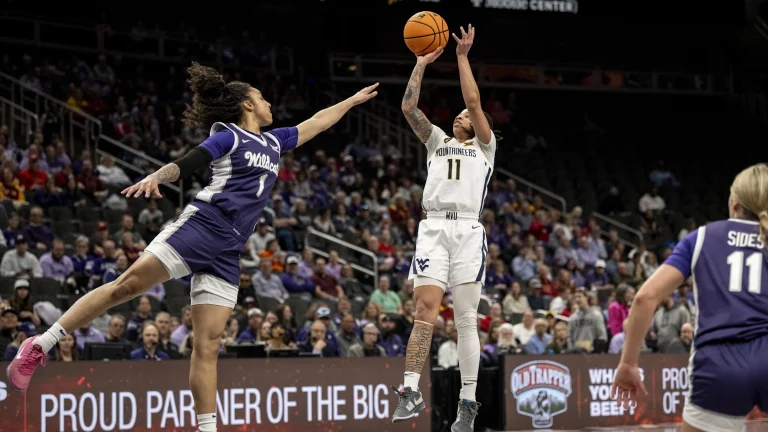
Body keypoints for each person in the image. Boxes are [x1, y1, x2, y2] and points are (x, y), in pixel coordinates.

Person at [6, 62, 378, 432]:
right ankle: (40, 344)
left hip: (231, 247)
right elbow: (189, 162)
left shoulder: (274, 141)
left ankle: (207, 428)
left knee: (209, 344)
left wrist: (352, 100)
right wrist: (157, 175)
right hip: (204, 225)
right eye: (261, 98)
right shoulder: (229, 135)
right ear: (247, 104)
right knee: (126, 287)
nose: (268, 103)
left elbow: (318, 122)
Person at [392, 25, 499, 431]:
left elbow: (472, 99)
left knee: (466, 319)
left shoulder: (485, 147)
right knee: (424, 312)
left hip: (468, 231)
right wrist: (419, 64)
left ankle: (467, 401)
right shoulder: (437, 141)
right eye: (456, 113)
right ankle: (409, 390)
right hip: (433, 228)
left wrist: (461, 57)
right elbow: (409, 108)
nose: (460, 114)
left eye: (467, 115)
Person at [612, 164, 768, 432]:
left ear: (733, 203)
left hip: (719, 364)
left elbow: (644, 298)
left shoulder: (702, 237)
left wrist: (628, 363)